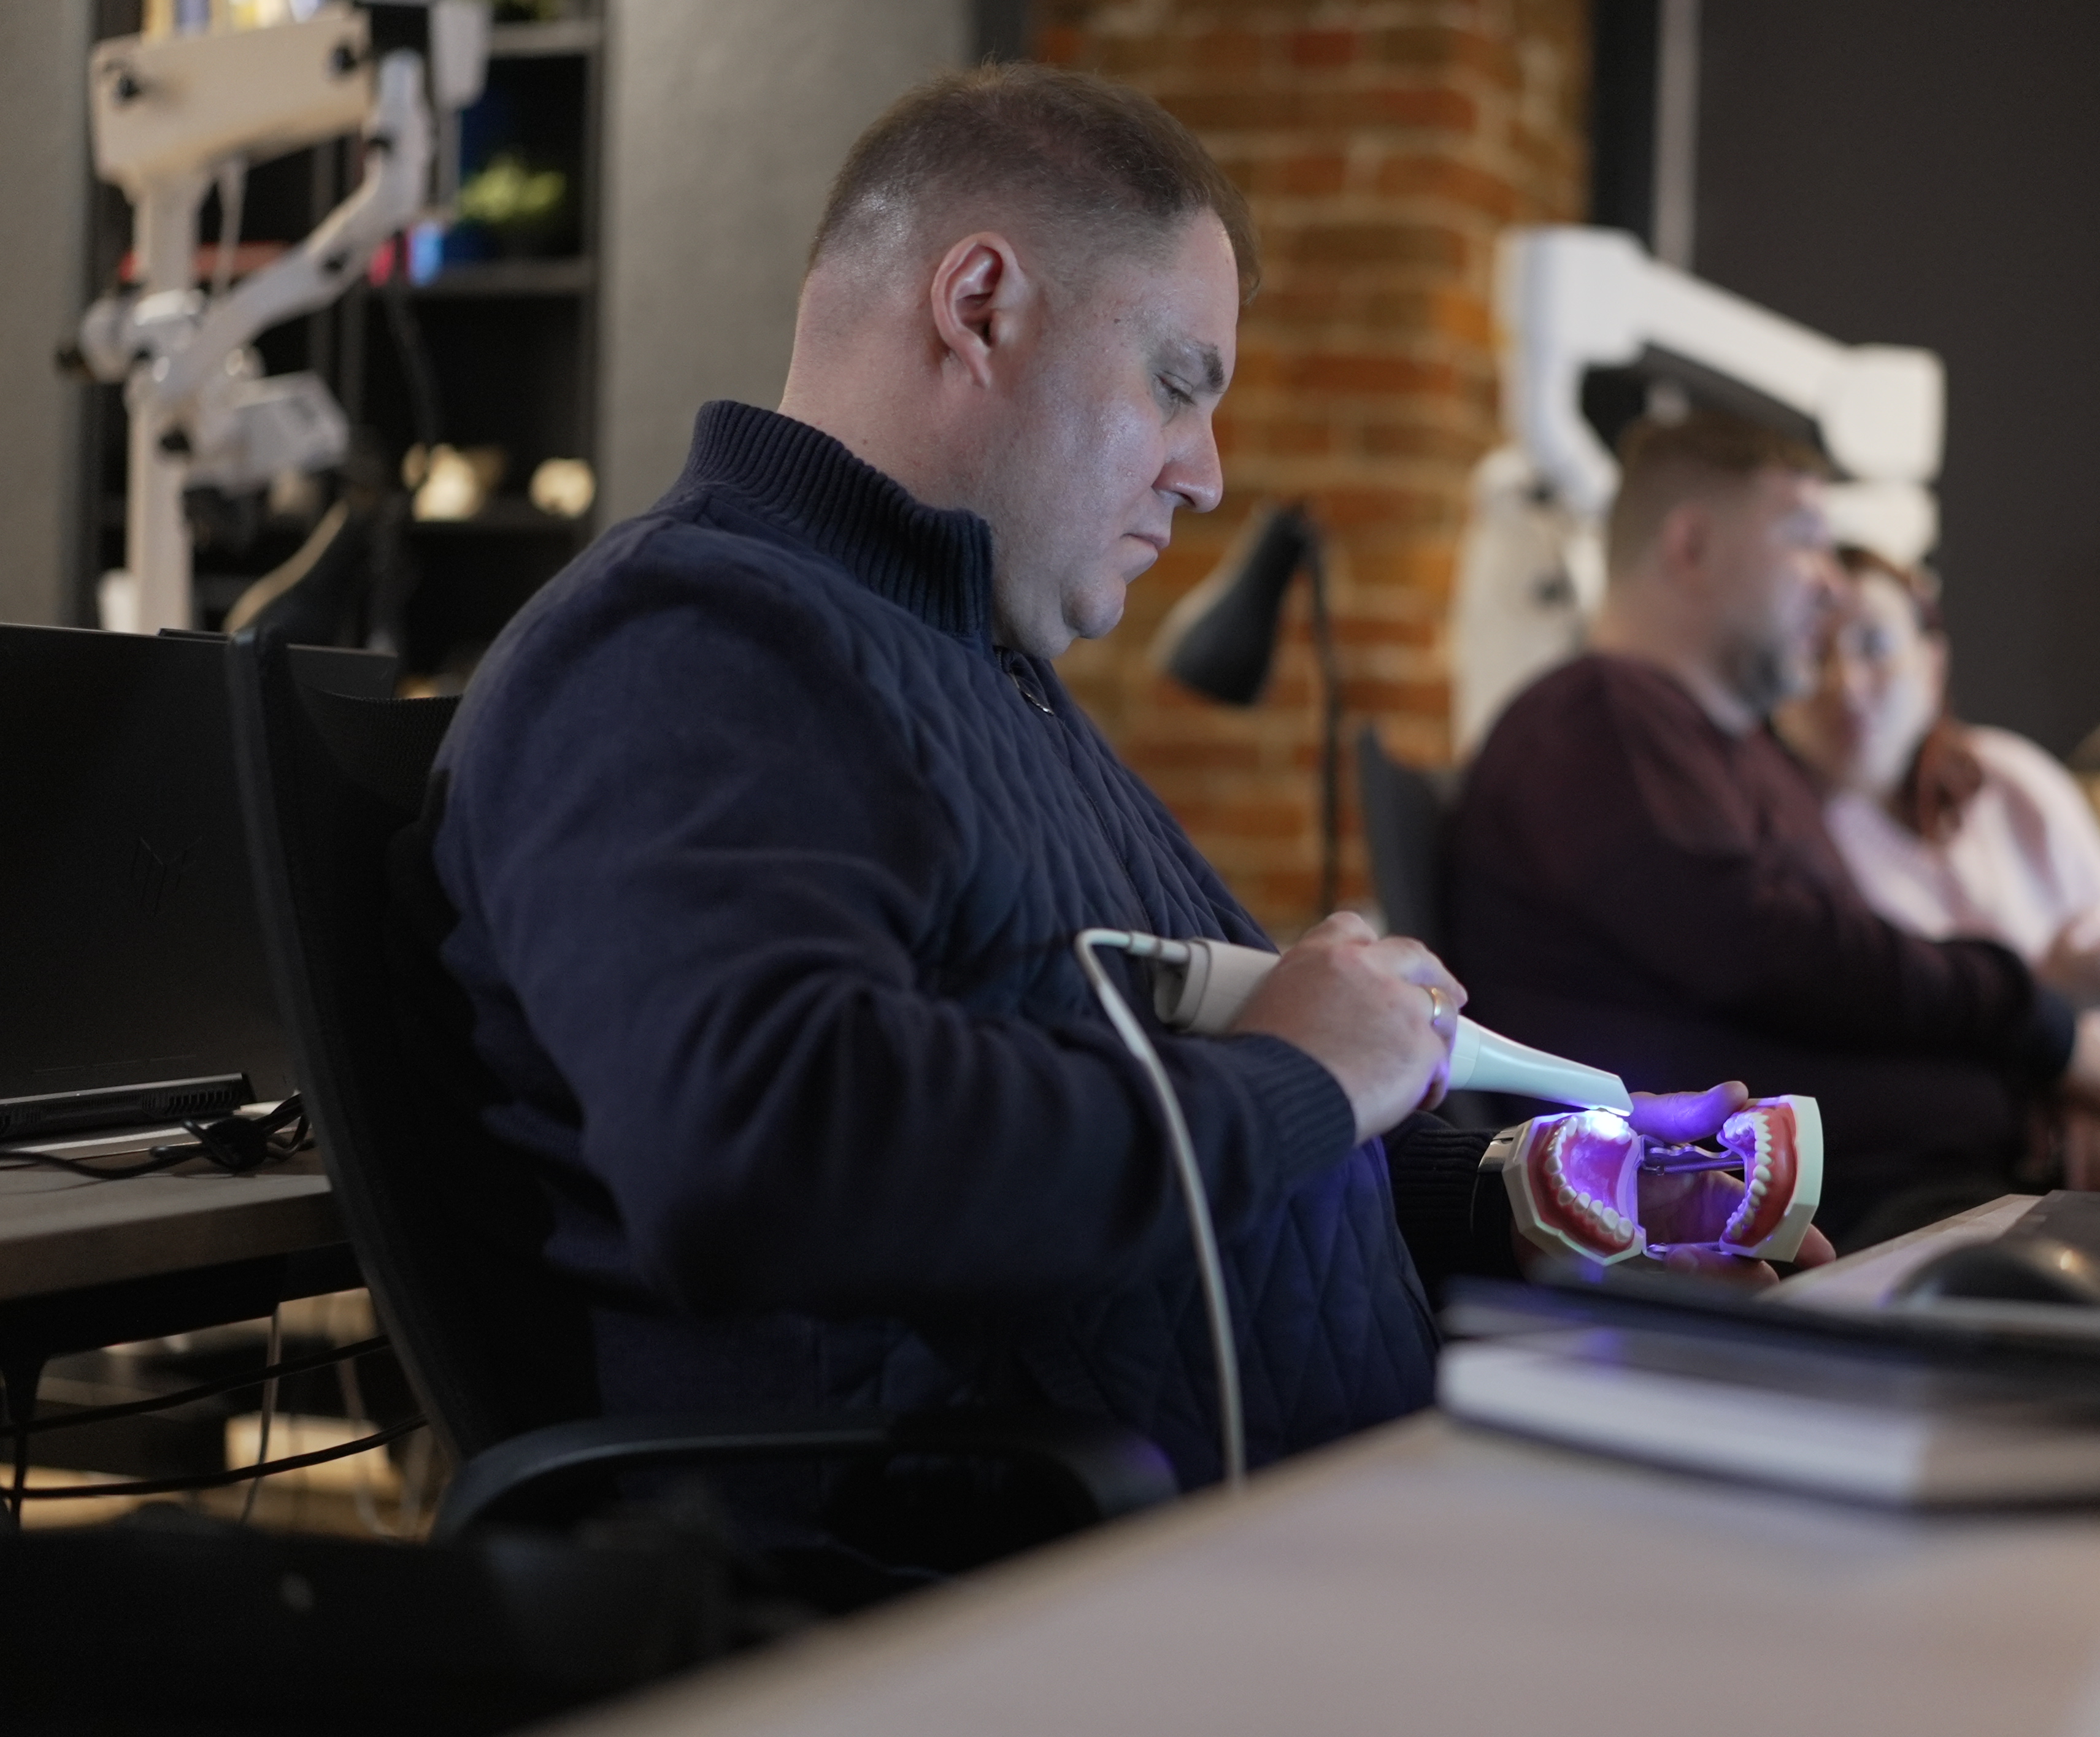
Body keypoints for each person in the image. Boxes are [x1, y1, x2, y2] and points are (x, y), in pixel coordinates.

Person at [414, 65, 1818, 1526]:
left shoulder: (976, 670)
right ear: (978, 308)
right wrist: (1302, 1072)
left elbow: (1176, 1133)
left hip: (1323, 1531)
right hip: (1017, 1590)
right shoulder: (690, 649)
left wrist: (1530, 1197)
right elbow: (771, 1152)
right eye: (1174, 384)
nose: (1203, 475)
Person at [1447, 412, 2100, 1244]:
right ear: (1691, 547)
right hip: (1792, 1240)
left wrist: (2035, 1077)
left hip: (1898, 1209)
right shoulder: (1602, 722)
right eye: (1804, 539)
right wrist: (2030, 1018)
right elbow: (1778, 951)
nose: (1833, 585)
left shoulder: (1725, 746)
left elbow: (1835, 975)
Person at [1773, 546, 2100, 1155]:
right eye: (1814, 653)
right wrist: (2051, 1042)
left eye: (1874, 646)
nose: (1846, 684)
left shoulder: (2011, 781)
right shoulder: (1775, 844)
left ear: (1932, 663)